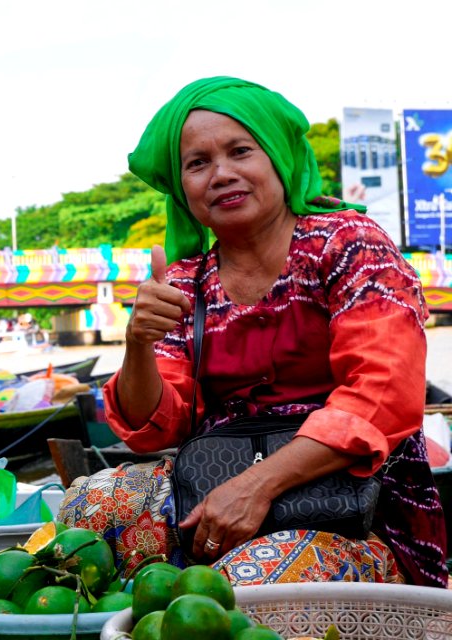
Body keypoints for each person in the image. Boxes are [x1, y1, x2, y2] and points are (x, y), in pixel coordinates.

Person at [57, 76, 448, 588]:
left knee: (248, 585)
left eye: (240, 151)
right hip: (222, 481)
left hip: (361, 506)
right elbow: (157, 425)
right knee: (90, 509)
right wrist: (137, 345)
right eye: (198, 164)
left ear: (278, 158)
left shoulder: (349, 244)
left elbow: (383, 395)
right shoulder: (184, 280)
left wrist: (257, 486)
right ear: (183, 187)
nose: (221, 174)